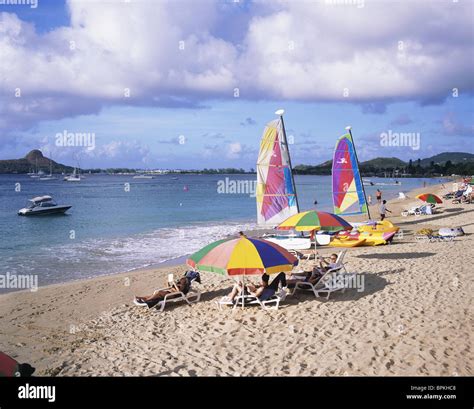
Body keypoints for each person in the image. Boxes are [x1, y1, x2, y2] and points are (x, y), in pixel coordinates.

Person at [134, 271, 200, 308]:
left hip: (173, 295)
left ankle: (146, 300)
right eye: (180, 280)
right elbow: (169, 287)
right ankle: (142, 298)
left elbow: (179, 292)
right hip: (169, 292)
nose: (179, 280)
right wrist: (168, 282)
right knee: (155, 293)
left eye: (181, 280)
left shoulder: (183, 285)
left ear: (184, 281)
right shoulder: (179, 283)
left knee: (158, 292)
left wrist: (174, 284)